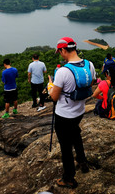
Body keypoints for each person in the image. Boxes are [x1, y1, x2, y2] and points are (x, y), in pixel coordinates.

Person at [48, 37, 96, 189]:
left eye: (60, 52)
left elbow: (54, 97)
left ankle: (69, 178)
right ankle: (82, 161)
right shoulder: (89, 65)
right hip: (79, 112)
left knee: (66, 147)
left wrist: (50, 86)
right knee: (76, 134)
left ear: (63, 50)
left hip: (64, 116)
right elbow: (91, 82)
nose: (60, 55)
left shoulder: (63, 71)